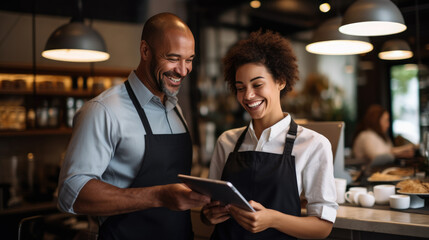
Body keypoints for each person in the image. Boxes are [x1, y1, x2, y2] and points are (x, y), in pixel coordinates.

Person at [57, 12, 210, 240]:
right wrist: (159, 196)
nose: (183, 70)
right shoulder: (103, 110)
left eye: (189, 60)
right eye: (173, 58)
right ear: (145, 51)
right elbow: (72, 193)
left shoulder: (175, 109)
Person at [201, 30, 338, 239]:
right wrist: (208, 215)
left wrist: (274, 219)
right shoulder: (226, 142)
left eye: (257, 85)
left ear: (281, 81)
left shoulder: (314, 144)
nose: (248, 95)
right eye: (240, 88)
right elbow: (209, 207)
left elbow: (323, 227)